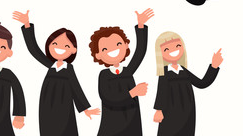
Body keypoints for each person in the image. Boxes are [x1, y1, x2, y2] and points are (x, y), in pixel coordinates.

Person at [13, 10, 100, 136]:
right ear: (48, 46)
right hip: (46, 104)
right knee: (48, 129)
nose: (60, 47)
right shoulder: (50, 65)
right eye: (55, 43)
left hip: (65, 105)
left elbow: (76, 88)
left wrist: (85, 109)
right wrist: (27, 25)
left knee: (66, 129)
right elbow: (34, 50)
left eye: (66, 45)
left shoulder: (69, 69)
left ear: (73, 50)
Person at [89, 8, 154, 136]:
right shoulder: (104, 75)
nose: (113, 49)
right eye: (105, 48)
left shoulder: (128, 72)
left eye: (118, 44)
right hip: (112, 126)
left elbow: (140, 52)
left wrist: (140, 26)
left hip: (132, 124)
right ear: (98, 55)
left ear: (126, 45)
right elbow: (108, 97)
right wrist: (132, 92)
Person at [153, 31, 223, 136]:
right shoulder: (164, 73)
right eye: (167, 49)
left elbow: (201, 83)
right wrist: (159, 110)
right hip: (171, 112)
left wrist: (213, 67)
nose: (173, 51)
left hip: (188, 111)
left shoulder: (184, 71)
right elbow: (162, 92)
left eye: (177, 46)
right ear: (161, 54)